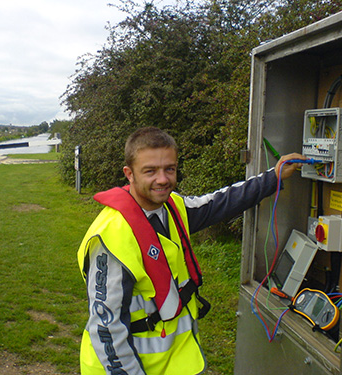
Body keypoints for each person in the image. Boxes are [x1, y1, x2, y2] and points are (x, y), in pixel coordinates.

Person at [77, 127, 304, 375]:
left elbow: (223, 202)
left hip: (176, 361)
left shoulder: (173, 207)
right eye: (150, 171)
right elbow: (106, 328)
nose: (163, 179)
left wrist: (275, 176)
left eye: (170, 169)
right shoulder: (112, 236)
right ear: (129, 174)